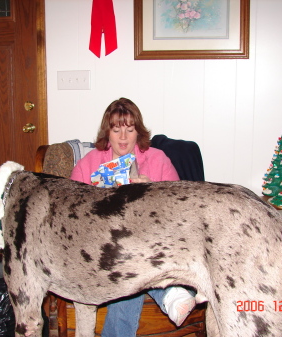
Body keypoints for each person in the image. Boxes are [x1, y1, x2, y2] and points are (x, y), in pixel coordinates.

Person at [70, 97, 196, 337]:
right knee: (125, 259)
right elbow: (70, 211)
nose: (123, 138)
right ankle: (169, 292)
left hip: (150, 242)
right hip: (102, 245)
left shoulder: (158, 159)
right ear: (107, 133)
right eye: (116, 130)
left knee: (129, 264)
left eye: (130, 129)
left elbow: (180, 209)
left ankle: (169, 292)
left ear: (138, 132)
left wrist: (154, 192)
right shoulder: (90, 163)